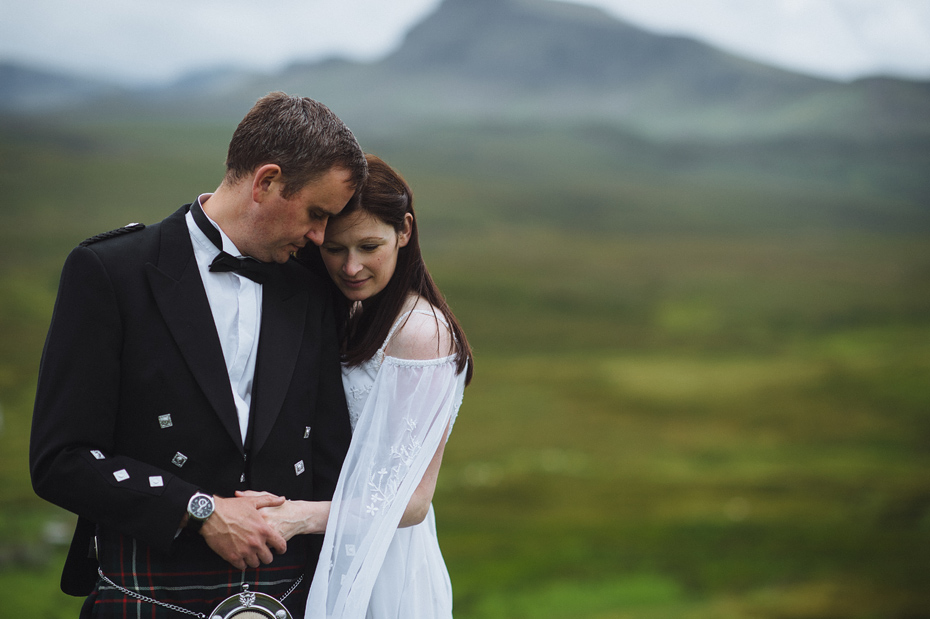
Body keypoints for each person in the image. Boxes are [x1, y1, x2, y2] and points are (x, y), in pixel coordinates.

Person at [29, 92, 368, 618]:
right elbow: (60, 460)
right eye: (317, 213)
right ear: (267, 182)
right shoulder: (112, 273)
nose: (321, 237)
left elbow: (331, 459)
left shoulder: (310, 290)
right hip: (150, 583)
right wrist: (201, 511)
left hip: (285, 589)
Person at [251, 154, 473, 618]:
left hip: (386, 564)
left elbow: (410, 504)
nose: (351, 268)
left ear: (405, 231)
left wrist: (297, 517)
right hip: (338, 549)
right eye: (334, 249)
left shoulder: (420, 334)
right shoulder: (356, 309)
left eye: (369, 246)